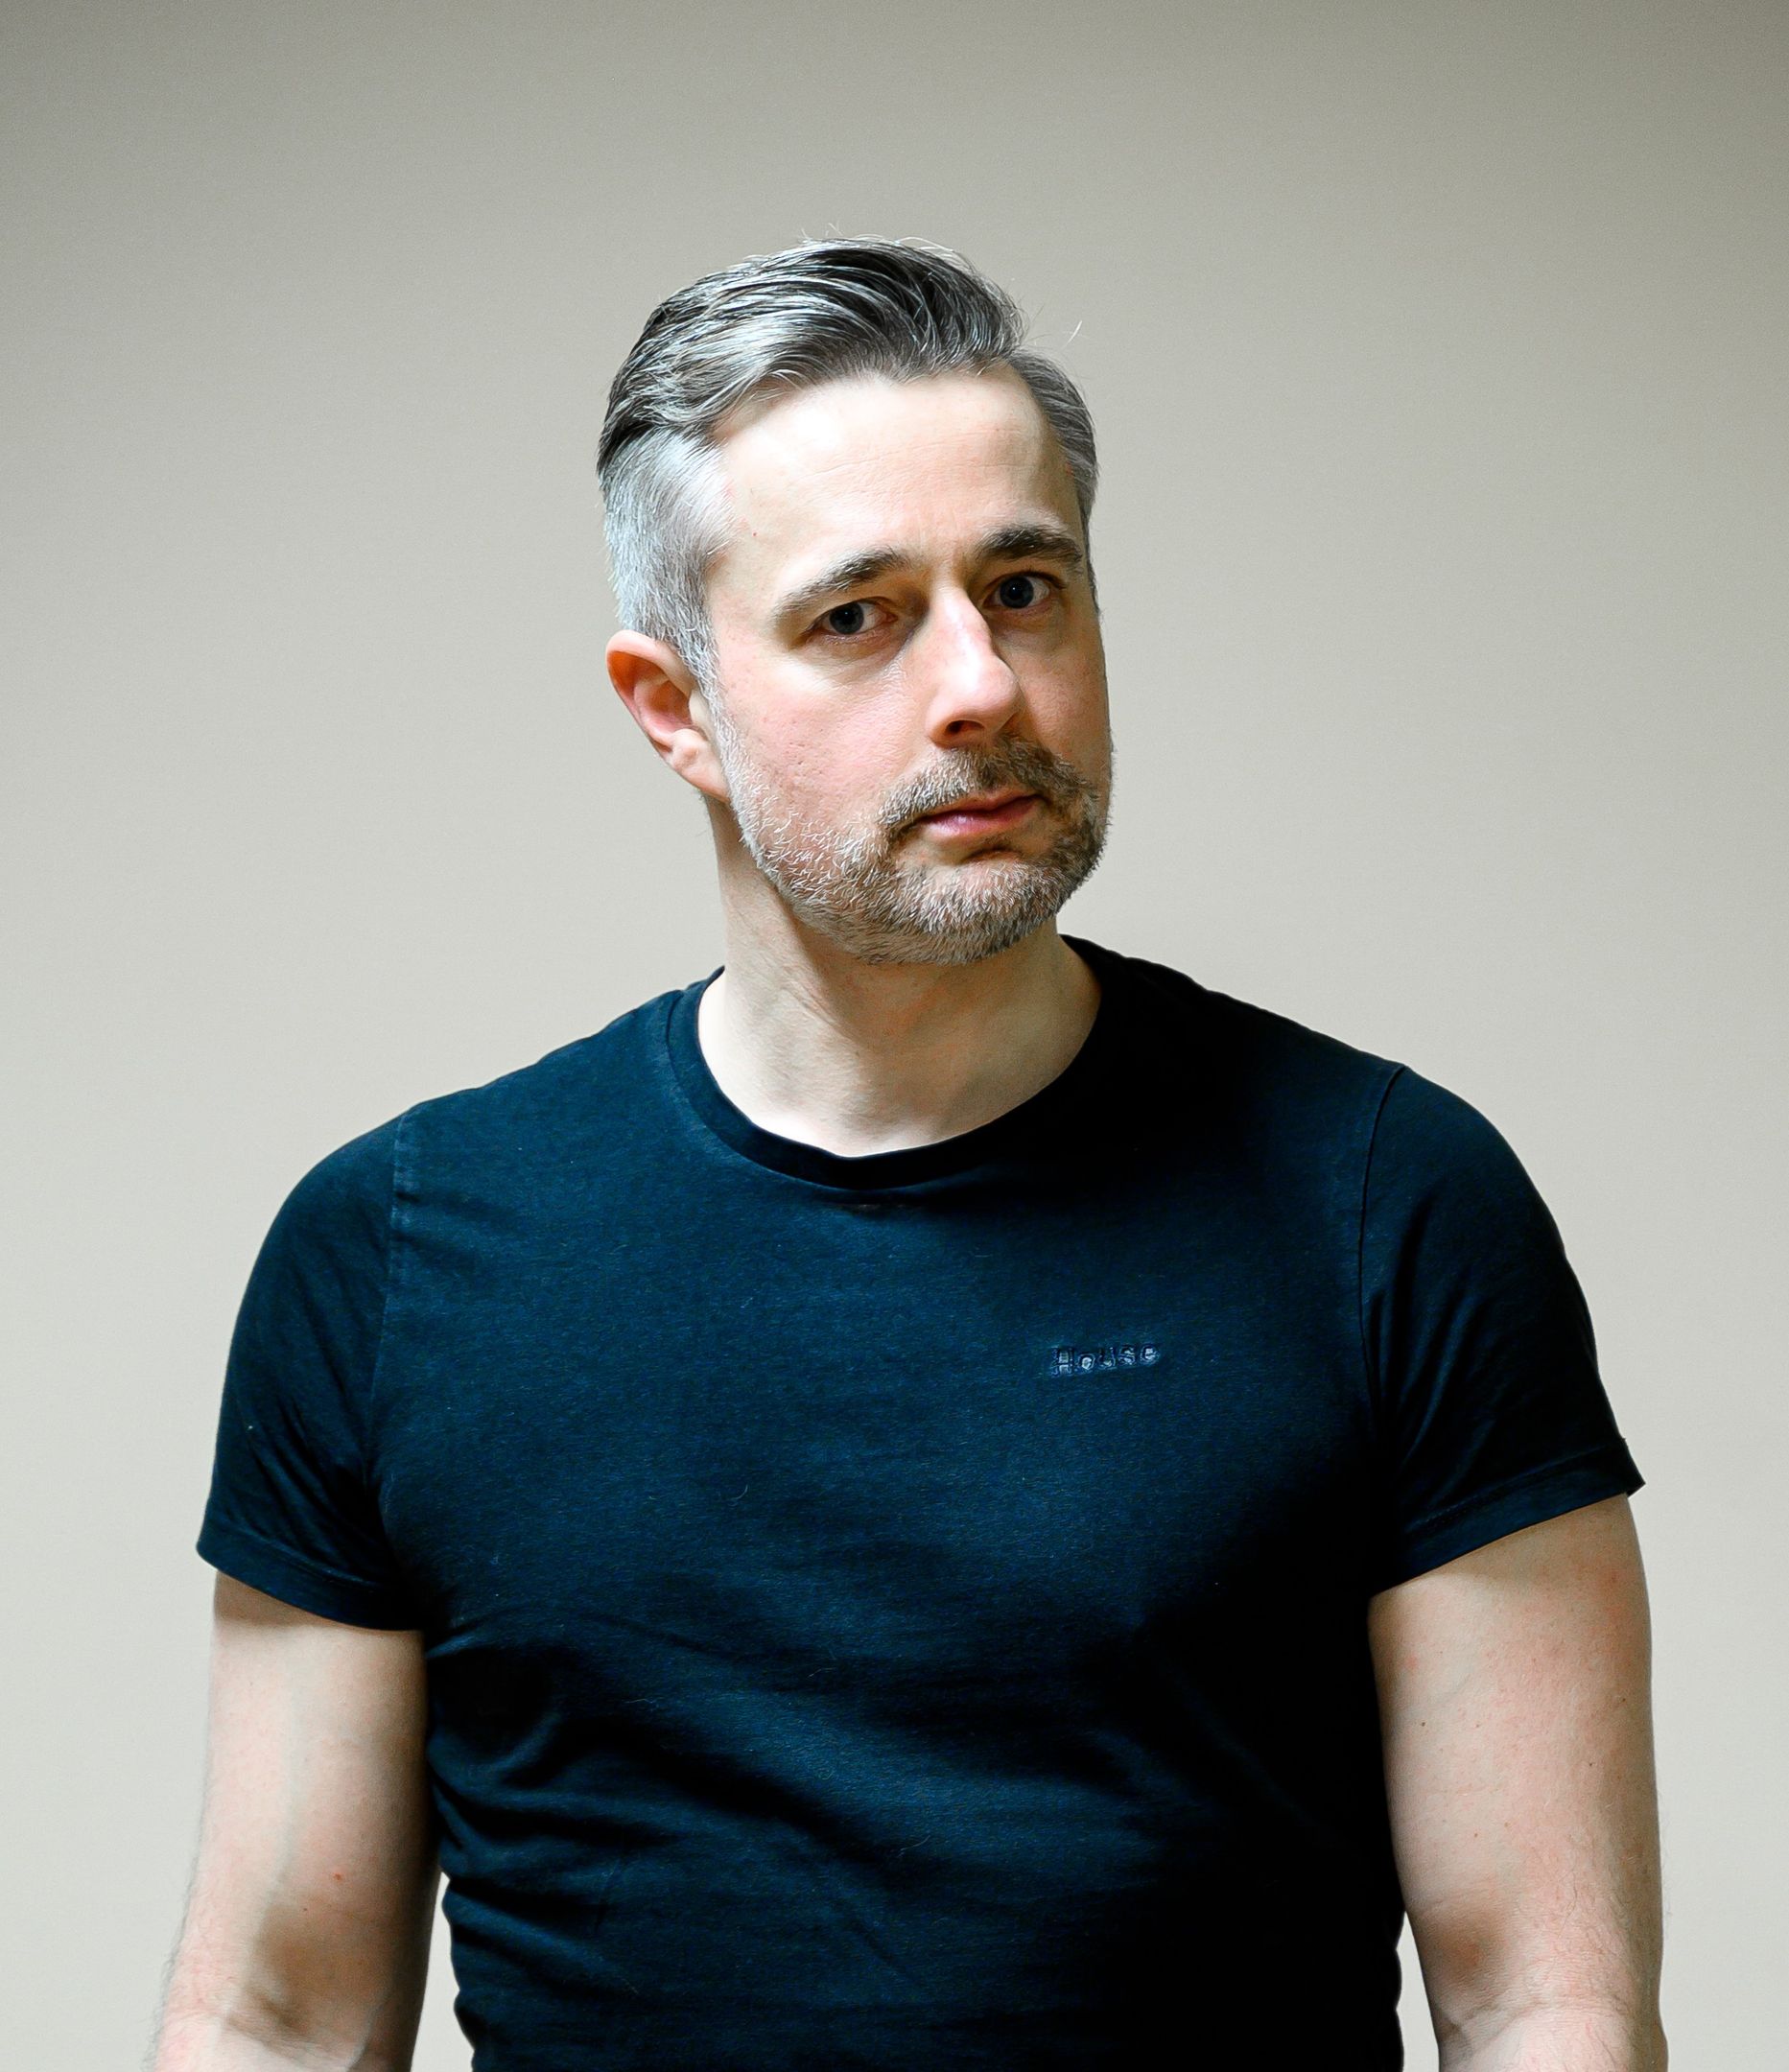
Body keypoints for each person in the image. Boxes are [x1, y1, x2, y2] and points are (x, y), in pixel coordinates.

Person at [153, 238, 1665, 2072]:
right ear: (674, 707)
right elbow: (279, 2019)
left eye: (1023, 589)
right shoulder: (397, 1255)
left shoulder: (1388, 1205)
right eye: (858, 617)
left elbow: (1543, 2003)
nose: (980, 686)